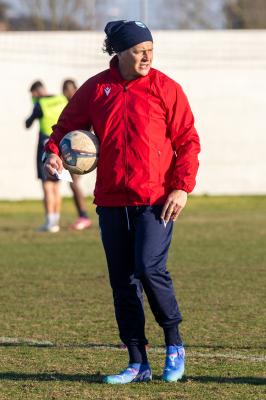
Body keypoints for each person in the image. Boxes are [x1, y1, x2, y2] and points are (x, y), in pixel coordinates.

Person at [44, 20, 200, 383]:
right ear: (119, 52)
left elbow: (188, 141)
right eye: (138, 51)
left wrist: (182, 187)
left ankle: (174, 344)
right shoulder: (96, 89)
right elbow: (64, 128)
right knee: (122, 282)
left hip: (156, 200)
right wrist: (54, 153)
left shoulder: (166, 88)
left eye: (150, 50)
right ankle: (137, 361)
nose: (147, 56)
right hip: (112, 201)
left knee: (148, 268)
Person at [25, 80, 67, 232]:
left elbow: (28, 123)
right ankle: (55, 221)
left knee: (47, 185)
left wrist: (34, 106)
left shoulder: (40, 104)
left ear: (36, 92)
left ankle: (49, 222)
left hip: (45, 146)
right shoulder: (61, 99)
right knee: (57, 185)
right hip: (60, 145)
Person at [62, 79, 92, 230]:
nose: (66, 92)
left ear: (75, 89)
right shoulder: (67, 106)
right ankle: (82, 216)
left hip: (80, 153)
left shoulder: (82, 104)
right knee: (71, 183)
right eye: (64, 89)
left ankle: (84, 217)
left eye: (68, 89)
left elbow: (89, 128)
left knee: (74, 183)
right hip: (68, 150)